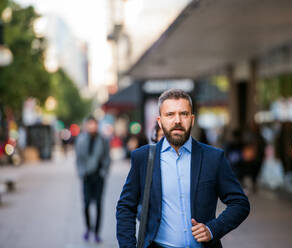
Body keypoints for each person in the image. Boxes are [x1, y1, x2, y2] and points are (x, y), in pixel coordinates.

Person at [116, 89, 250, 248]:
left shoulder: (213, 158)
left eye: (184, 114)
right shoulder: (143, 158)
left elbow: (240, 203)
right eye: (170, 114)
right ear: (160, 121)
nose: (177, 120)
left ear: (192, 119)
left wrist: (213, 229)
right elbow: (125, 207)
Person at [75, 116, 111, 243]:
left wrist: (103, 172)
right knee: (85, 205)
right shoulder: (80, 140)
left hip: (98, 177)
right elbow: (78, 159)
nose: (92, 127)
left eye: (94, 124)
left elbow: (107, 157)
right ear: (86, 126)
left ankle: (96, 232)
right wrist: (81, 172)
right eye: (90, 124)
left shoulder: (103, 140)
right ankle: (88, 228)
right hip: (86, 177)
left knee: (99, 205)